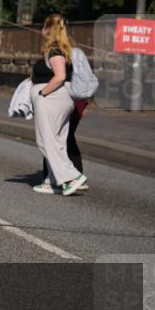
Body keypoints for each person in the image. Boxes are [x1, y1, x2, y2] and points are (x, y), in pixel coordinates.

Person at [29, 13, 87, 195]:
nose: (41, 31)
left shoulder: (54, 50)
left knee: (46, 140)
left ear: (47, 29)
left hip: (52, 99)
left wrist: (42, 92)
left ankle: (72, 176)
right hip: (60, 99)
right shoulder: (63, 50)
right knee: (58, 140)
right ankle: (52, 181)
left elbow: (60, 76)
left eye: (43, 28)